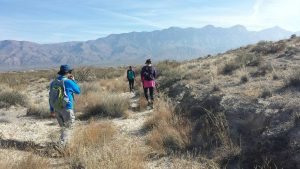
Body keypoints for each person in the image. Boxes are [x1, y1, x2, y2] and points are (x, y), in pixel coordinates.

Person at [49, 65, 80, 146]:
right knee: (69, 127)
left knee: (63, 127)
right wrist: (73, 81)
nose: (70, 73)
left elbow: (50, 97)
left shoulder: (53, 82)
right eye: (70, 72)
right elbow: (78, 91)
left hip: (57, 108)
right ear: (67, 73)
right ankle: (62, 146)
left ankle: (62, 143)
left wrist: (52, 110)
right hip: (67, 108)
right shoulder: (68, 82)